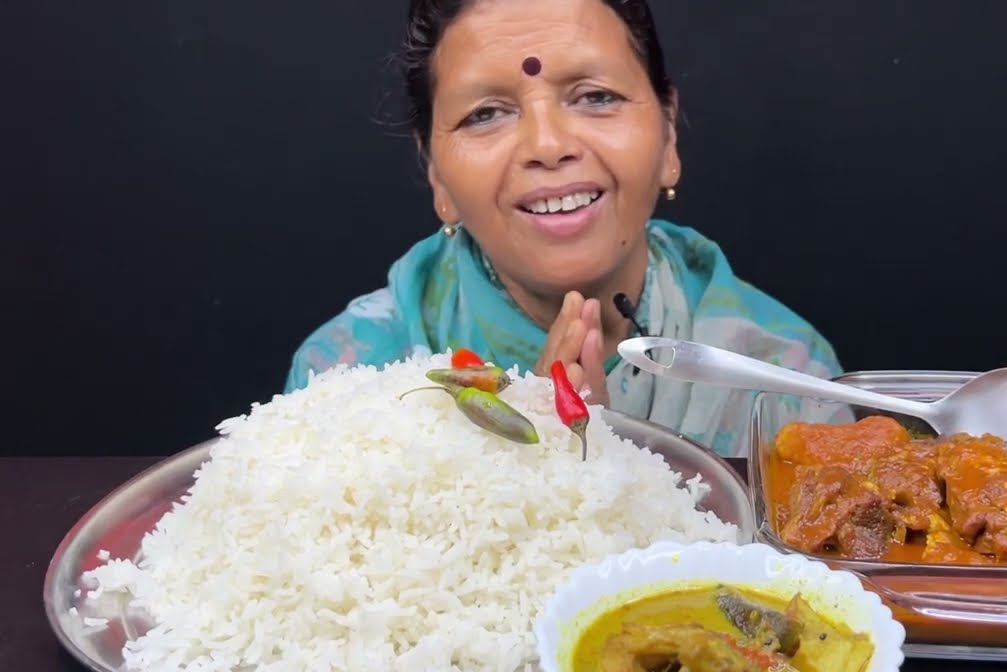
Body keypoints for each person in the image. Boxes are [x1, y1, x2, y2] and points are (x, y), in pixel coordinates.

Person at [285, 0, 842, 457]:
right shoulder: (344, 382)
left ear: (668, 133)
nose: (548, 146)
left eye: (596, 97)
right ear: (435, 174)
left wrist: (607, 457)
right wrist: (540, 449)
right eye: (485, 114)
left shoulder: (787, 384)